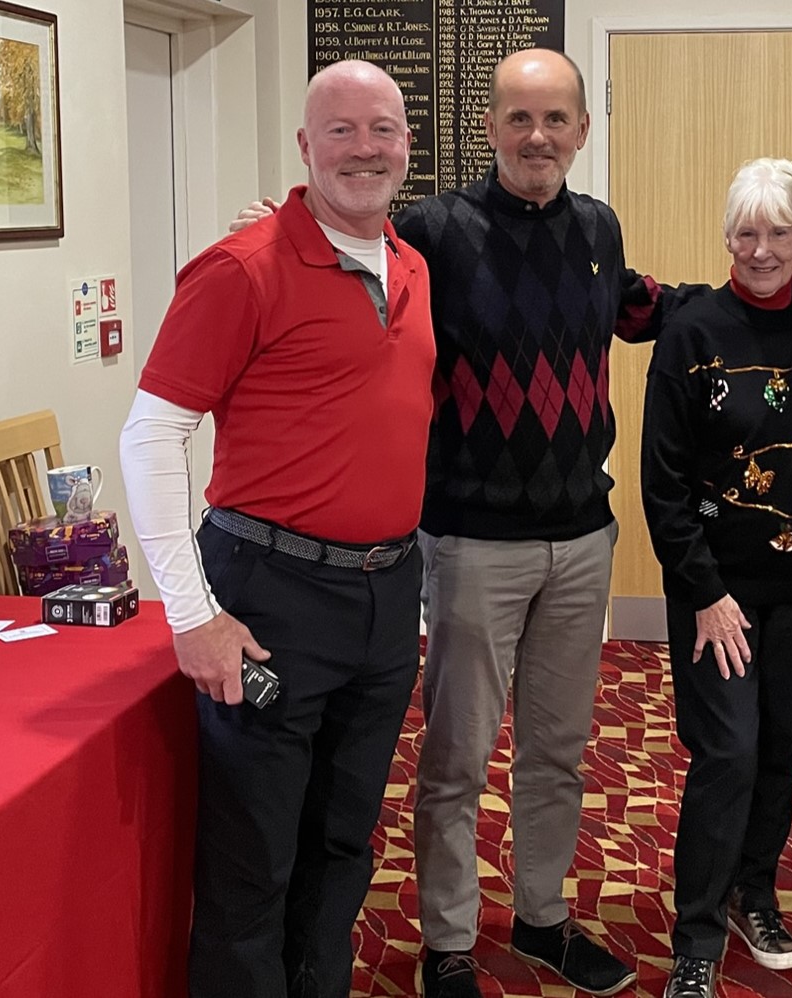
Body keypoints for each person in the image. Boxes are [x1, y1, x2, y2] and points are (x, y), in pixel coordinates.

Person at [231, 47, 698, 998]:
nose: (537, 136)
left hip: (583, 539)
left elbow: (643, 307)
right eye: (519, 118)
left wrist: (762, 292)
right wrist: (274, 233)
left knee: (557, 751)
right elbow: (343, 257)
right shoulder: (433, 232)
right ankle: (446, 939)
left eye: (555, 119)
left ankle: (542, 918)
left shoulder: (598, 228)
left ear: (582, 130)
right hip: (470, 542)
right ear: (488, 128)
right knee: (455, 757)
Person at [119, 60, 435, 998]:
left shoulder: (411, 265)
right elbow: (152, 437)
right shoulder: (241, 267)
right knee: (252, 862)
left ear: (407, 144)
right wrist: (191, 615)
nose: (364, 149)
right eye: (340, 130)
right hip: (270, 595)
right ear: (304, 146)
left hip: (385, 599)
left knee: (342, 843)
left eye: (381, 129)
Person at [641, 159, 792, 998]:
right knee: (726, 751)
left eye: (778, 233)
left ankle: (752, 893)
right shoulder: (691, 331)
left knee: (778, 747)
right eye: (746, 233)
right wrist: (705, 593)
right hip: (713, 590)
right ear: (726, 236)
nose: (761, 250)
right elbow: (662, 482)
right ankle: (695, 933)